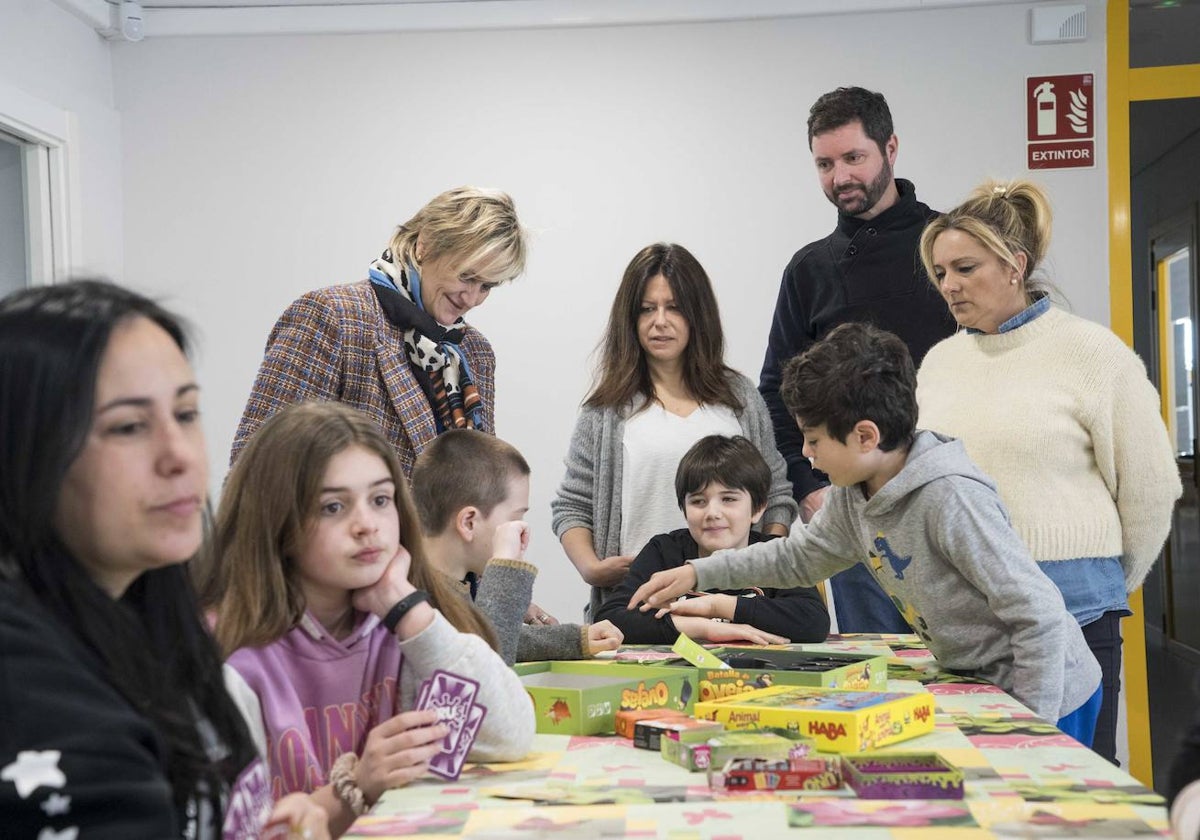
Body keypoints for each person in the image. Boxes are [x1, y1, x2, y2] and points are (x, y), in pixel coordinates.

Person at [630, 322, 1103, 740]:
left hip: (1048, 693)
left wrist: (1033, 727)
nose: (808, 456)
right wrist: (699, 572)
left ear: (865, 436)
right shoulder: (852, 492)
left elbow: (1036, 613)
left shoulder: (951, 497)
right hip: (977, 680)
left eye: (814, 441)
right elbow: (796, 559)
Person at [0, 281, 327, 839]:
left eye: (186, 412)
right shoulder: (27, 680)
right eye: (128, 426)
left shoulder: (153, 611)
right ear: (25, 450)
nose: (179, 455)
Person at [915, 178, 1182, 765]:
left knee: (1072, 784)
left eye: (964, 267)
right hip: (971, 619)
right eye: (940, 273)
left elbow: (1152, 486)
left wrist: (1105, 584)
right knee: (982, 784)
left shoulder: (1092, 353)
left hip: (1073, 609)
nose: (950, 286)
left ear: (1015, 264)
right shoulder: (939, 363)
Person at [207, 402, 534, 837]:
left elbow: (508, 735)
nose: (367, 526)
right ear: (277, 520)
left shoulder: (399, 635)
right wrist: (357, 785)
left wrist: (408, 608)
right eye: (332, 508)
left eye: (381, 500)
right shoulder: (234, 663)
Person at [759, 86, 957, 633]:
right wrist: (809, 485)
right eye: (825, 164)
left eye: (853, 158)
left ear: (890, 148)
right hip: (858, 513)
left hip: (950, 503)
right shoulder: (810, 269)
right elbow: (776, 388)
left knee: (969, 678)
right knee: (878, 679)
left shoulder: (948, 248)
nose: (839, 176)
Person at [552, 242, 798, 619]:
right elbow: (573, 505)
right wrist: (591, 568)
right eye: (647, 309)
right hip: (642, 608)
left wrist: (766, 562)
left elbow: (776, 491)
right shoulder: (605, 409)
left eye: (674, 308)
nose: (659, 321)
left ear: (697, 314)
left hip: (737, 605)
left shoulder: (740, 397)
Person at [231, 186, 527, 478]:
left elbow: (478, 489)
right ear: (426, 245)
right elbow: (259, 472)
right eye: (467, 276)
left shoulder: (474, 352)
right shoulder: (334, 316)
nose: (472, 299)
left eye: (487, 286)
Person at [411, 429, 624, 665]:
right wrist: (505, 569)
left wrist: (577, 639)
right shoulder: (415, 603)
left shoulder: (446, 588)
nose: (522, 528)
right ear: (469, 522)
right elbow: (486, 667)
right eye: (516, 517)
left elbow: (483, 637)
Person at [596, 435, 828, 645]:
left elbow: (813, 622)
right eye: (698, 501)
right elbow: (611, 618)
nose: (712, 513)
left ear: (757, 509)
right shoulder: (664, 551)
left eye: (728, 499)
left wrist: (720, 607)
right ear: (684, 509)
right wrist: (702, 628)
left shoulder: (775, 553)